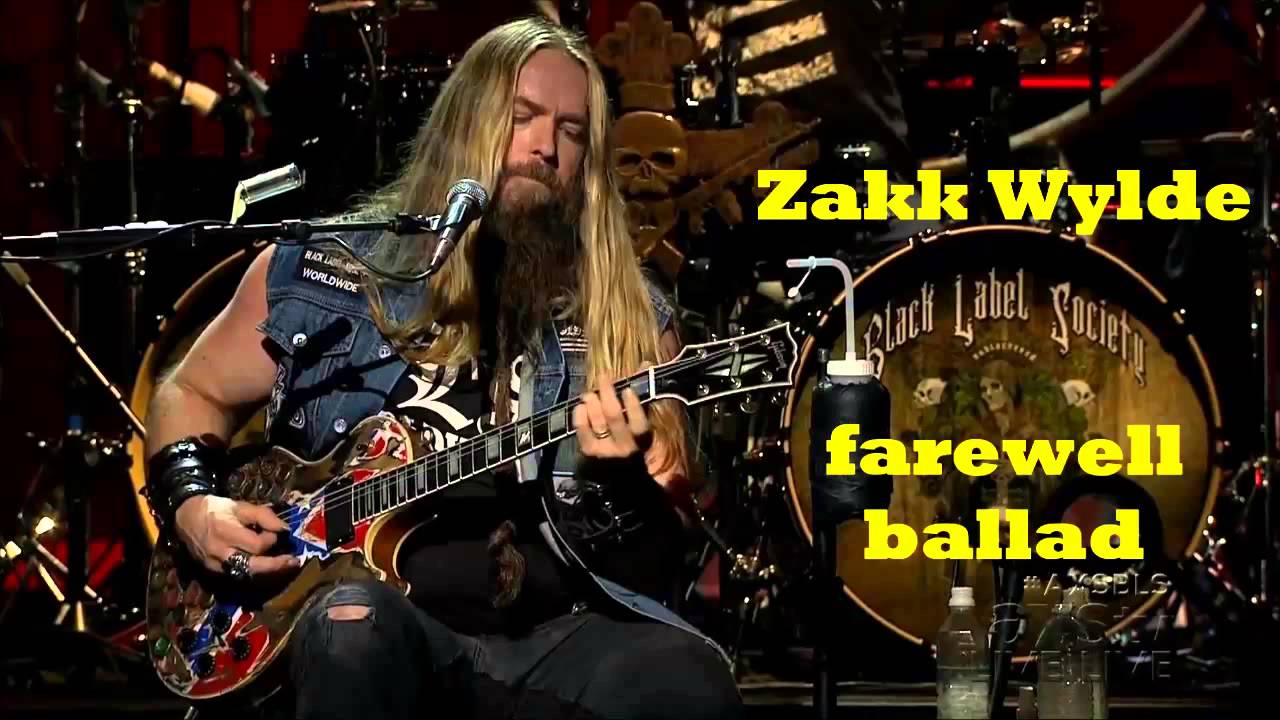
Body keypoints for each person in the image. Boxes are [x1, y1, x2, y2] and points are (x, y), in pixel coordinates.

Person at [143, 16, 743, 720]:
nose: (546, 147)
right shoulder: (319, 271)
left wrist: (625, 481)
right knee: (351, 625)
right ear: (465, 122)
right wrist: (193, 503)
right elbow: (190, 391)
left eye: (572, 131)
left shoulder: (629, 316)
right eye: (522, 117)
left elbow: (666, 551)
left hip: (555, 636)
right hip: (370, 620)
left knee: (688, 677)